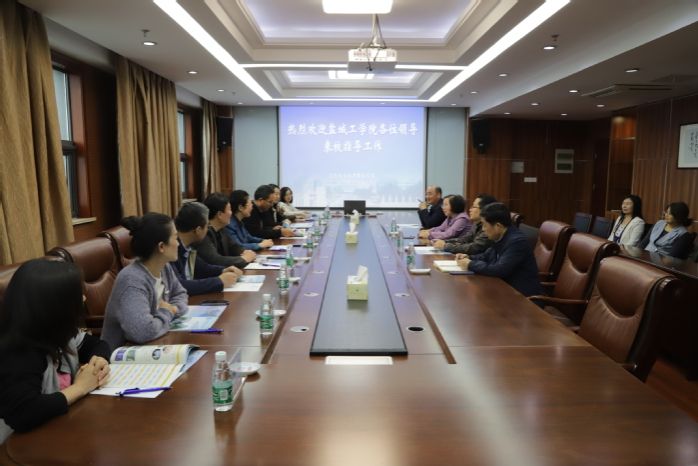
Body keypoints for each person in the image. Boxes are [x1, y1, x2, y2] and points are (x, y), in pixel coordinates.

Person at [0, 259, 111, 442]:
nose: (84, 298)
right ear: (54, 306)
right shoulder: (18, 352)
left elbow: (94, 344)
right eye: (77, 295)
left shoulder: (57, 332)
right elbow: (23, 413)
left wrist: (99, 361)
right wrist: (81, 387)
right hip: (16, 446)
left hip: (59, 431)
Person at [101, 213, 188, 349]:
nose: (178, 243)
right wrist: (167, 312)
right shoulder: (132, 280)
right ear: (161, 247)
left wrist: (173, 309)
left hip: (156, 342)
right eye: (175, 238)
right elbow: (142, 332)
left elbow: (180, 294)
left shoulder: (164, 267)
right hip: (124, 354)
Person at [456, 203, 542, 297]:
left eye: (484, 225)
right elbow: (486, 256)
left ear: (498, 226)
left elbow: (499, 270)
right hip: (503, 289)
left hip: (521, 296)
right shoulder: (500, 236)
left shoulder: (517, 242)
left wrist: (470, 264)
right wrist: (468, 257)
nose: (483, 229)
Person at [172, 202, 242, 295]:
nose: (207, 230)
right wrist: (219, 281)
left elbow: (203, 268)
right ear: (198, 230)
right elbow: (179, 285)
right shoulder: (172, 250)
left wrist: (223, 270)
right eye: (207, 226)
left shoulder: (188, 246)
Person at [199, 192, 257, 268]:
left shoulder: (221, 229)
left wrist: (244, 252)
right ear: (219, 214)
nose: (231, 213)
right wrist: (243, 259)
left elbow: (233, 246)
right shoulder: (205, 233)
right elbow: (215, 260)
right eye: (229, 210)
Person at [433, 194, 497, 255]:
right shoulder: (476, 224)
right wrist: (445, 242)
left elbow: (474, 248)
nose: (470, 209)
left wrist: (446, 245)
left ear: (484, 209)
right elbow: (464, 239)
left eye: (474, 207)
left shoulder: (488, 227)